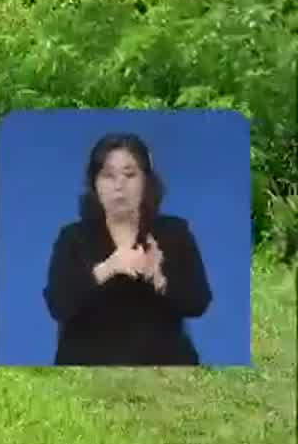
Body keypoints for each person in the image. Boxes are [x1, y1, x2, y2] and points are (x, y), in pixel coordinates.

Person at [43, 131, 212, 365]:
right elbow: (58, 305)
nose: (119, 186)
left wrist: (160, 277)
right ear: (95, 184)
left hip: (165, 370)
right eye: (108, 175)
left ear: (146, 181)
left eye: (129, 175)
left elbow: (198, 302)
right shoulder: (73, 237)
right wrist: (107, 269)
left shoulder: (174, 233)